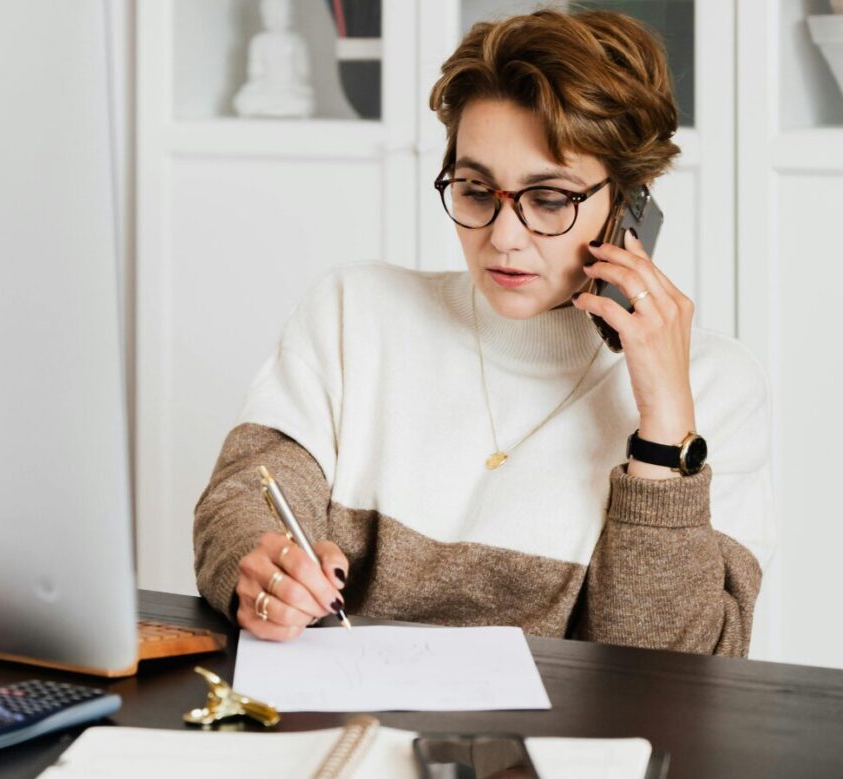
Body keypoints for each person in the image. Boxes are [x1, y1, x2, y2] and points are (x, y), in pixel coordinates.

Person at [194, 9, 773, 656]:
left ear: (631, 202)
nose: (503, 237)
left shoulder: (715, 387)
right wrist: (264, 566)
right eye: (474, 190)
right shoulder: (354, 312)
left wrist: (665, 429)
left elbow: (673, 671)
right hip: (343, 733)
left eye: (549, 199)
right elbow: (241, 506)